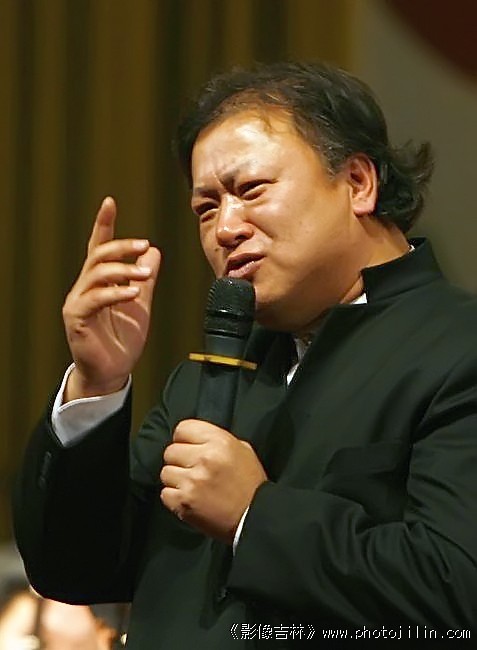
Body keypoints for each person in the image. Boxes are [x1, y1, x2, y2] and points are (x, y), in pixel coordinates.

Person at [12, 60, 477, 647]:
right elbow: (72, 568)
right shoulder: (205, 379)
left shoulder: (458, 348)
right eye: (206, 208)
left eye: (250, 190)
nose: (225, 228)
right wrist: (95, 386)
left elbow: (456, 596)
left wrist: (254, 516)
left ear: (359, 183)